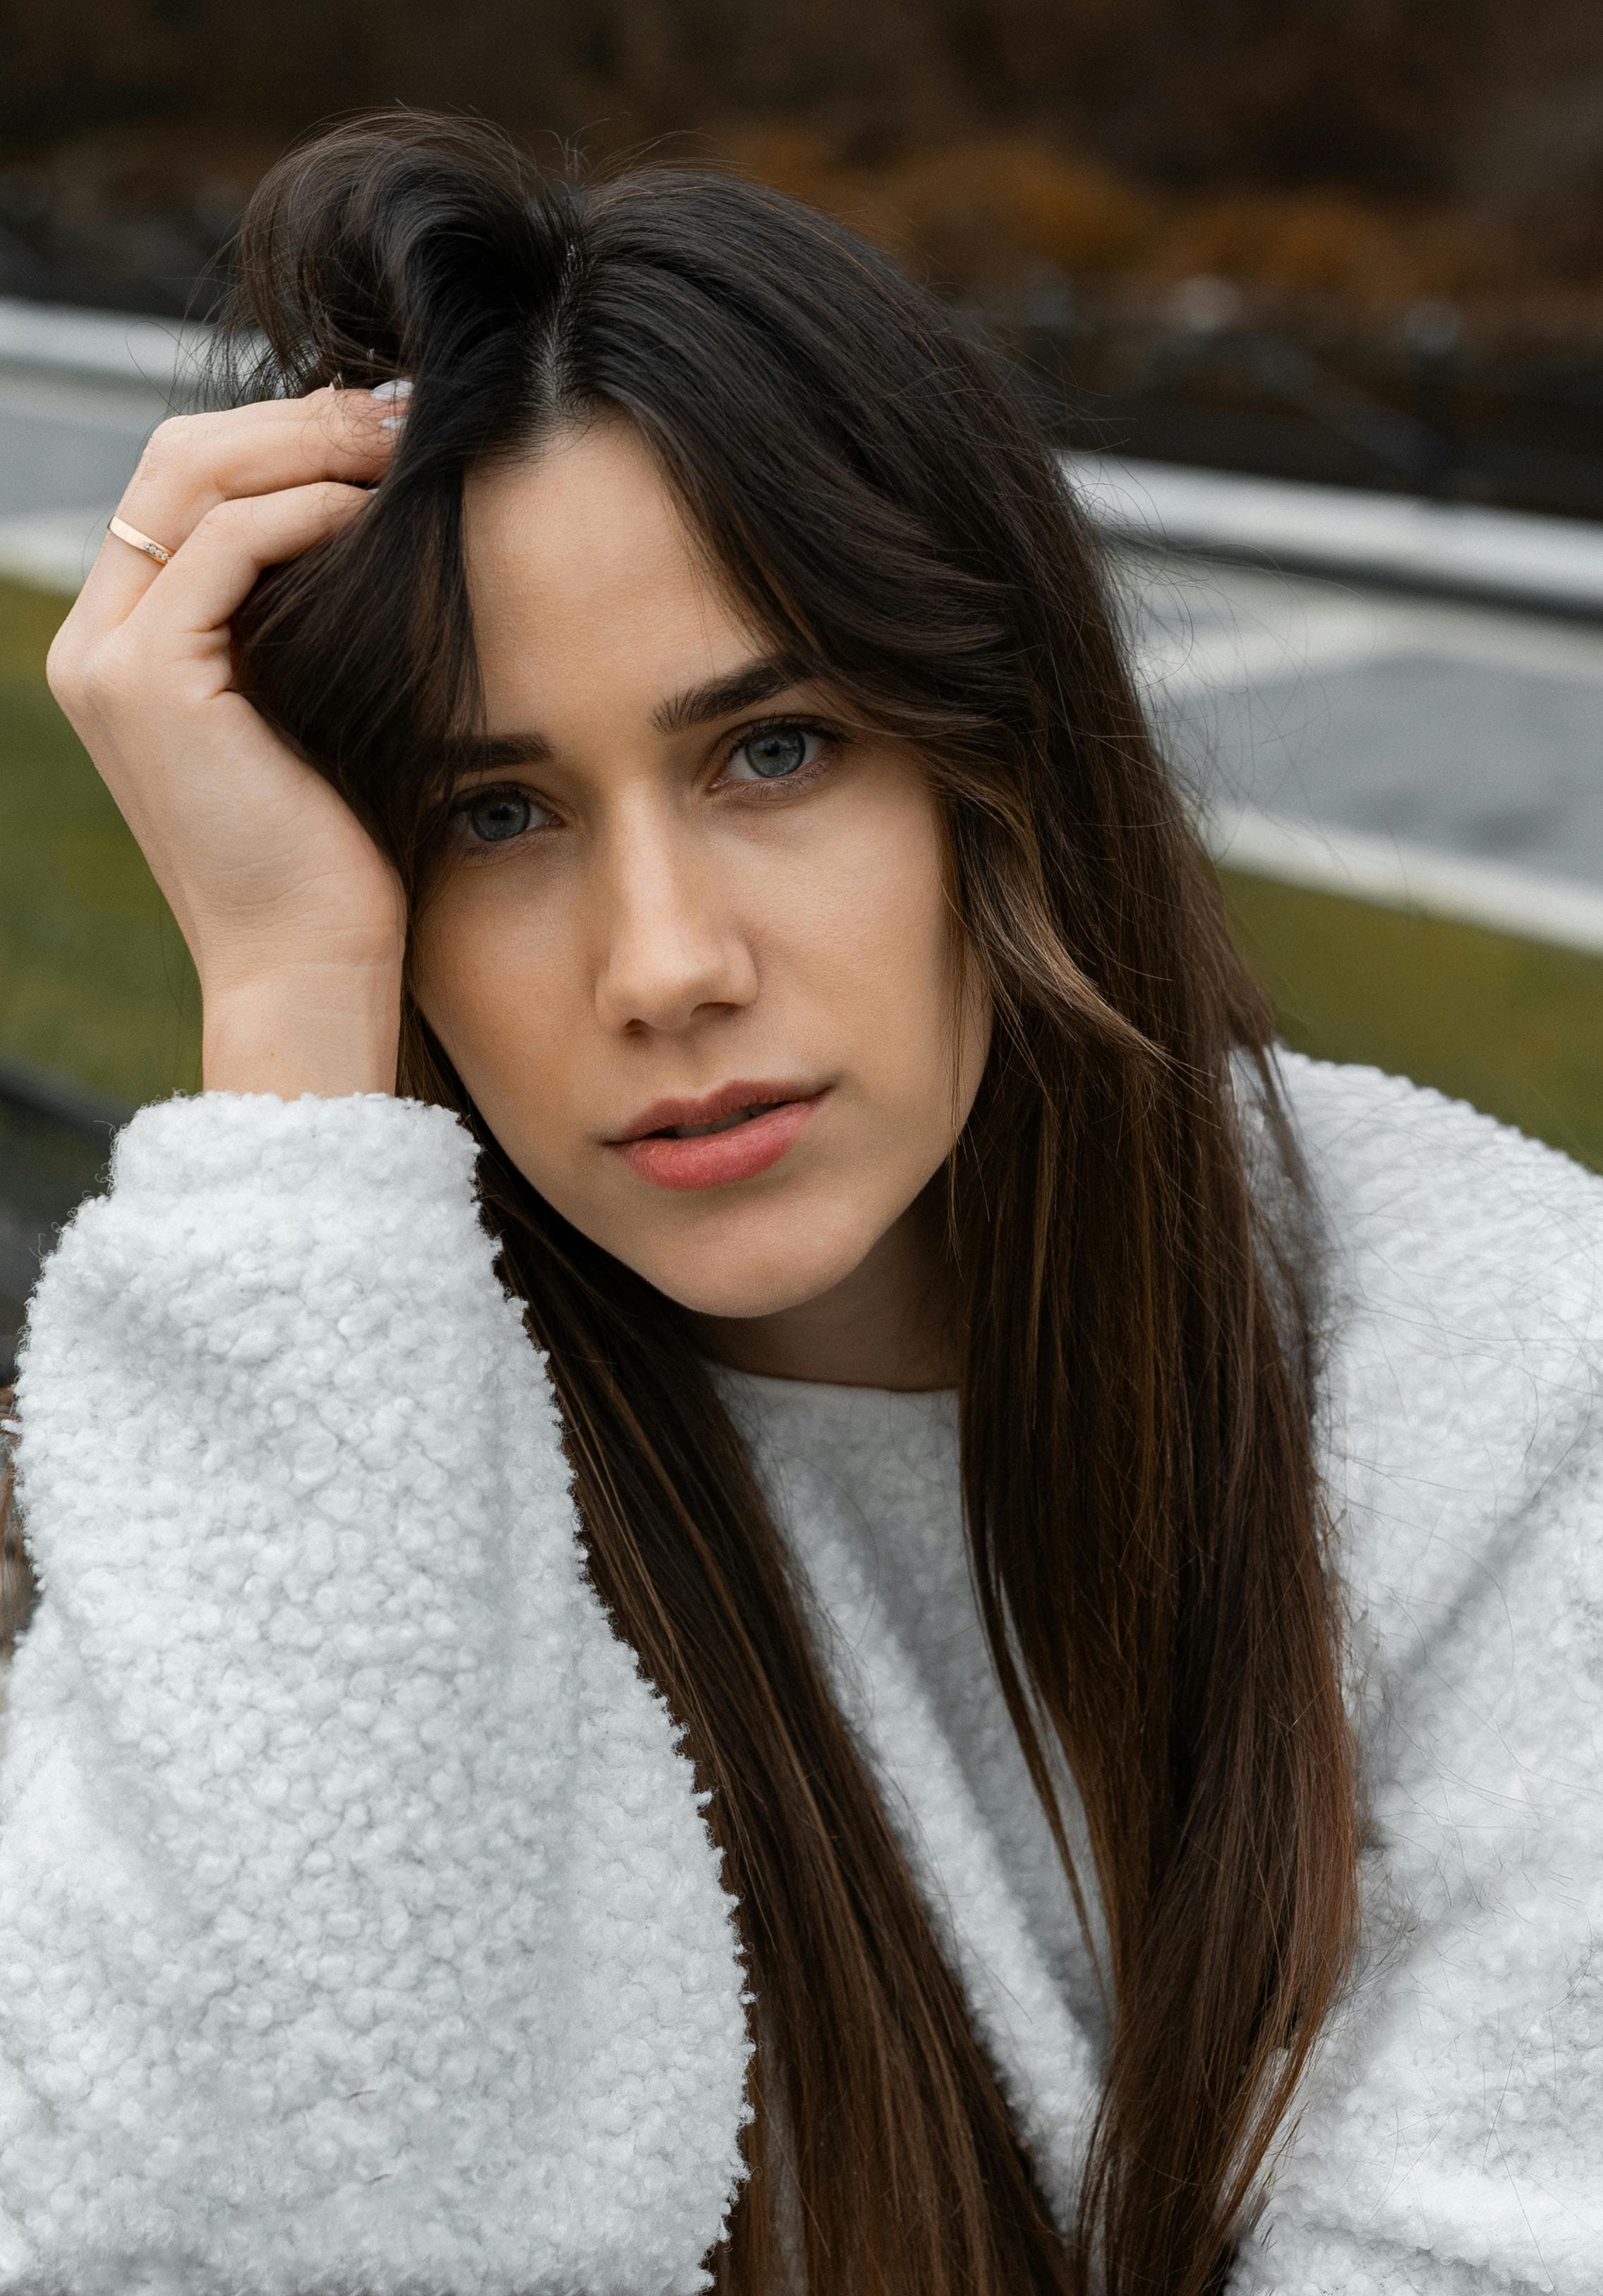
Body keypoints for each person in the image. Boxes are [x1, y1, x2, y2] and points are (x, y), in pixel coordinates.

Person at [4, 111, 1600, 2296]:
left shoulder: (1495, 1371)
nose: (665, 967)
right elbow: (256, 2234)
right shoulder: (316, 1498)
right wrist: (285, 1003)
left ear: (993, 761)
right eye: (492, 812)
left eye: (773, 751)